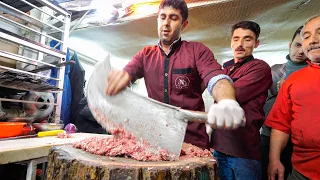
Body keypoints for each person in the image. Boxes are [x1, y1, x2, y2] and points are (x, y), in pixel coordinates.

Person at [105, 0, 245, 150]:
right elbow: (126, 74)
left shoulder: (197, 51)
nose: (166, 23)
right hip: (157, 143)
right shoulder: (145, 55)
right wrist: (119, 80)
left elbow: (216, 78)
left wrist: (227, 101)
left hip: (193, 144)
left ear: (183, 25)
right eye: (162, 17)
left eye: (173, 18)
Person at [212, 21, 272, 180]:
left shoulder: (260, 68)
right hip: (219, 147)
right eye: (236, 38)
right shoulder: (226, 70)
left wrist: (217, 86)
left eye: (247, 39)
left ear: (256, 43)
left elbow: (231, 95)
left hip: (243, 151)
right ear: (231, 41)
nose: (240, 44)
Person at [266, 14, 320, 180]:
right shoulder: (292, 80)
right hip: (301, 171)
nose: (312, 40)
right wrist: (274, 159)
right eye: (307, 36)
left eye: (319, 32)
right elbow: (281, 124)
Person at [261, 26, 308, 180]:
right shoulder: (274, 71)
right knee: (266, 173)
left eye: (304, 46)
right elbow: (262, 101)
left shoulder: (313, 73)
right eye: (297, 45)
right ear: (290, 44)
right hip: (268, 134)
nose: (300, 51)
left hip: (298, 139)